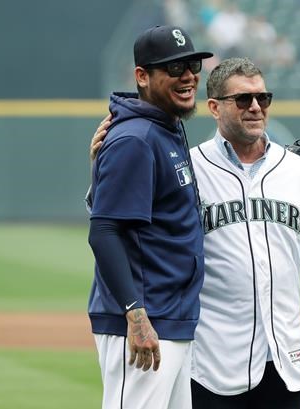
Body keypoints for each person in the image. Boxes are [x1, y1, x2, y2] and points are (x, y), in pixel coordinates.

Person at [91, 57, 300, 409]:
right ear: (214, 107)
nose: (255, 107)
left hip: (286, 362)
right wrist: (100, 173)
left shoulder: (298, 173)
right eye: (243, 100)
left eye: (262, 98)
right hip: (210, 366)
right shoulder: (186, 167)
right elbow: (122, 224)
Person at [87, 25, 212, 409]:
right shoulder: (136, 138)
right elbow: (105, 231)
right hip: (145, 321)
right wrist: (135, 315)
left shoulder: (165, 129)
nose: (188, 75)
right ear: (142, 76)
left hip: (170, 317)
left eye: (192, 64)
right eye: (174, 68)